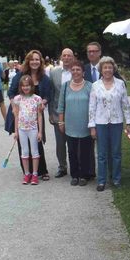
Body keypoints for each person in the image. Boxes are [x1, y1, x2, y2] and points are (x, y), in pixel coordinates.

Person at [88, 56, 130, 192]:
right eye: (105, 67)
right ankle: (102, 180)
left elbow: (125, 104)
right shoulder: (95, 85)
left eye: (110, 67)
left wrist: (128, 122)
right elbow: (92, 107)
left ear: (113, 69)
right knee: (101, 153)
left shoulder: (120, 84)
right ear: (101, 69)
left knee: (116, 152)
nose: (107, 70)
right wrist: (92, 126)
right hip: (100, 123)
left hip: (116, 122)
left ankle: (116, 178)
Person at [8, 50, 50, 180]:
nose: (34, 62)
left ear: (40, 61)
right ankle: (27, 172)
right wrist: (15, 105)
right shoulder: (21, 75)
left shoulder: (44, 77)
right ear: (28, 61)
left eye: (37, 59)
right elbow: (11, 92)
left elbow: (48, 94)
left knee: (37, 141)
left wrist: (43, 102)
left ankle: (40, 171)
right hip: (21, 114)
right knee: (23, 144)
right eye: (32, 59)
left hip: (36, 113)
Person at [57, 60, 92, 186]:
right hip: (70, 124)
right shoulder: (65, 86)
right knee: (71, 151)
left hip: (85, 124)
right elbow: (61, 106)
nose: (75, 72)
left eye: (78, 69)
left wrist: (93, 124)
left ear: (83, 72)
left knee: (85, 151)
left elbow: (93, 106)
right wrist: (61, 122)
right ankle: (75, 175)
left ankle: (84, 175)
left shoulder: (90, 86)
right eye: (73, 70)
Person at [48, 48, 74, 178]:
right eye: (64, 55)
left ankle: (76, 166)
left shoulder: (77, 71)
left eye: (69, 55)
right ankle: (62, 167)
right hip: (58, 113)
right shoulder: (54, 72)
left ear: (73, 57)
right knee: (60, 143)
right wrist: (51, 114)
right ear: (61, 58)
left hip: (75, 113)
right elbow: (51, 93)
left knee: (74, 141)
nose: (67, 58)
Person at [13, 75, 42, 185]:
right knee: (24, 152)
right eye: (23, 86)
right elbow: (16, 115)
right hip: (22, 129)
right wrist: (16, 131)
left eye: (28, 85)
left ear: (31, 86)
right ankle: (27, 173)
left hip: (33, 129)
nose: (26, 88)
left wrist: (40, 132)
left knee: (34, 152)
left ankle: (34, 174)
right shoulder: (17, 99)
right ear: (20, 87)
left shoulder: (37, 99)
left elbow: (39, 116)